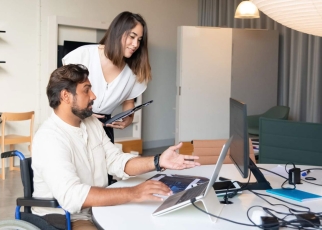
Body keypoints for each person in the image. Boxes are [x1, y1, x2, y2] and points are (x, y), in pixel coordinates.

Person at [31, 64, 200, 230]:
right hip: (69, 218)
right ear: (66, 96)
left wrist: (158, 161)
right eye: (86, 90)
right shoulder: (49, 138)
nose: (94, 96)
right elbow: (72, 196)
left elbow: (116, 161)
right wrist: (133, 193)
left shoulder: (91, 123)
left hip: (99, 208)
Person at [62, 11, 151, 143]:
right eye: (132, 37)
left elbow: (129, 102)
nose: (135, 44)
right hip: (75, 123)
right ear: (118, 32)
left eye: (139, 40)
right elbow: (62, 93)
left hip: (104, 128)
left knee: (105, 163)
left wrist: (129, 118)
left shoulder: (133, 71)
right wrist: (84, 113)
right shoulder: (83, 55)